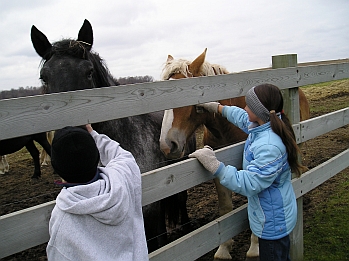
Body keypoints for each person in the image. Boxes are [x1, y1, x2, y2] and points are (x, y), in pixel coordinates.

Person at [189, 84, 306, 261]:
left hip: (272, 224)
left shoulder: (268, 145)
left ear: (259, 112)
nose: (245, 108)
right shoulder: (267, 124)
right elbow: (242, 117)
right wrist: (218, 108)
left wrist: (215, 166)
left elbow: (249, 183)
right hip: (276, 215)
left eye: (248, 105)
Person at [46, 124, 148, 261]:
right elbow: (122, 155)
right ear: (96, 156)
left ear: (56, 168)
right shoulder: (121, 180)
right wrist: (93, 134)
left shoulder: (61, 220)